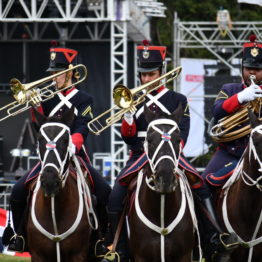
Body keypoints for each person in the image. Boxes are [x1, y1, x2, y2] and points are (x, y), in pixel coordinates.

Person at [101, 40, 235, 262]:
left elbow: (182, 132)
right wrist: (127, 115)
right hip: (140, 155)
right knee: (116, 196)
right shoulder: (133, 99)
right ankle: (118, 248)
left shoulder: (177, 99)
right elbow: (128, 137)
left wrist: (168, 152)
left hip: (170, 153)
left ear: (162, 73)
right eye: (143, 75)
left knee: (200, 187)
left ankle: (211, 239)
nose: (146, 79)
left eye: (151, 74)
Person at [3, 45, 112, 253]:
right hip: (49, 156)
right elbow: (40, 129)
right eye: (52, 73)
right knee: (17, 190)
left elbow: (82, 126)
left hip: (74, 156)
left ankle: (100, 239)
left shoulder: (84, 99)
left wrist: (72, 144)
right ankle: (20, 235)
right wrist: (35, 108)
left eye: (57, 73)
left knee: (105, 191)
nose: (53, 77)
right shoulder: (47, 98)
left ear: (69, 73)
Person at [202, 34, 262, 189]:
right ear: (242, 69)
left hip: (260, 153)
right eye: (248, 69)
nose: (252, 73)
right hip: (230, 152)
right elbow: (216, 111)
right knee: (201, 186)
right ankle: (210, 215)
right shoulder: (229, 89)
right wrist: (240, 97)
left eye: (257, 69)